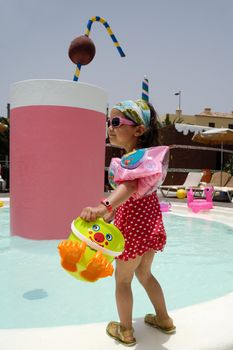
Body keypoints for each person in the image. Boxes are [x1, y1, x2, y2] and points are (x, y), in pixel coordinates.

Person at [80, 99, 176, 346]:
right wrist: (112, 214)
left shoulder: (131, 160)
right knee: (145, 274)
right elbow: (134, 195)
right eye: (107, 122)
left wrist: (103, 208)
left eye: (115, 122)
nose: (109, 127)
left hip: (132, 232)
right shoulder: (144, 160)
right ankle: (164, 319)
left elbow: (129, 186)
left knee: (122, 280)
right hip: (150, 228)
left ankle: (125, 331)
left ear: (138, 130)